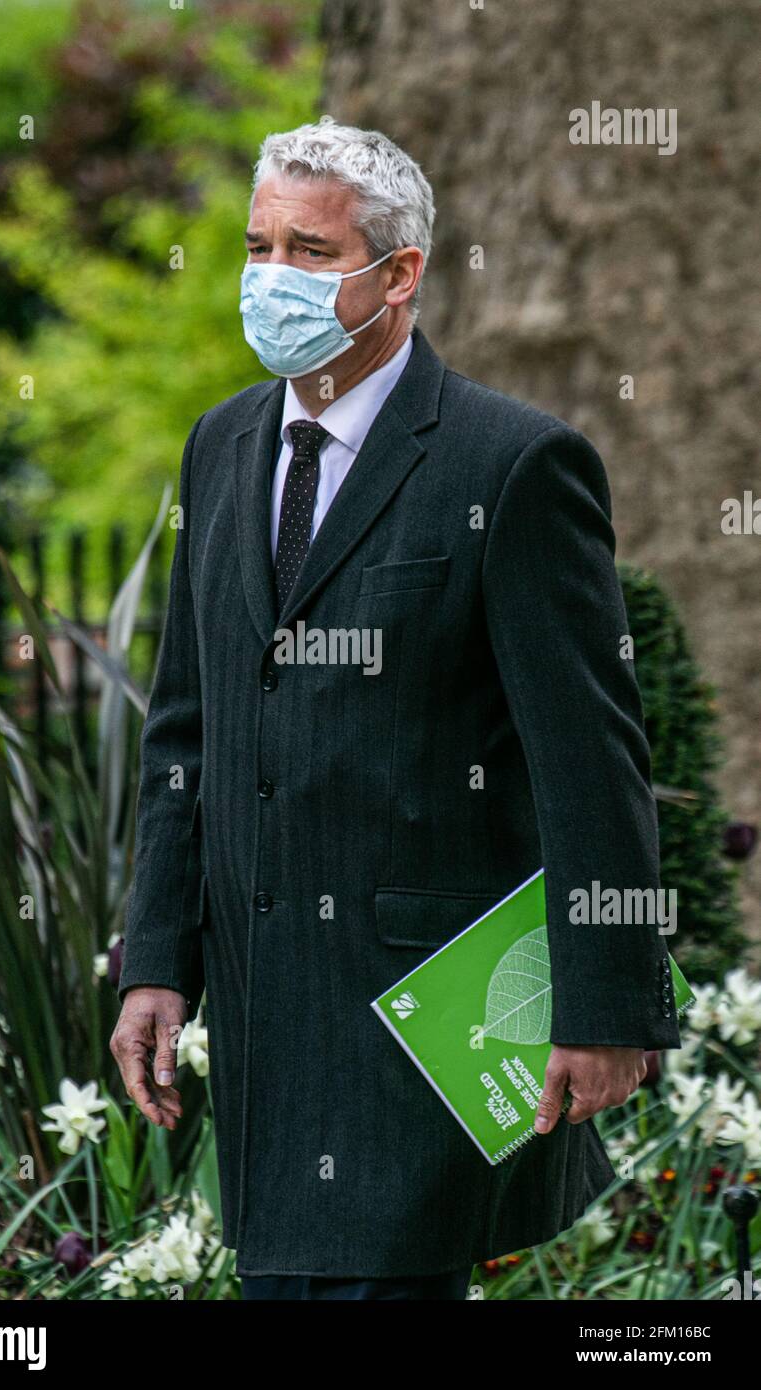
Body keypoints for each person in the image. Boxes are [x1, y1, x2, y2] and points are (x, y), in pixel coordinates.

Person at [110, 116, 682, 1301]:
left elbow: (589, 759)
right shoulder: (218, 449)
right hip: (266, 1011)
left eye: (310, 252)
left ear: (399, 274)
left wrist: (603, 1007)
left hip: (419, 1017)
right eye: (257, 244)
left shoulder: (513, 466)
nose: (271, 276)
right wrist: (156, 956)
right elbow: (186, 728)